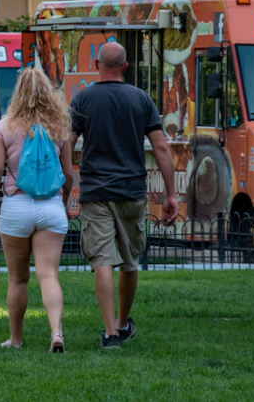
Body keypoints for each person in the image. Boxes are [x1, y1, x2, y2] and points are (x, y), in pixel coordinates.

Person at [70, 42, 178, 349]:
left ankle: (110, 334)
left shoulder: (83, 98)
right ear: (126, 67)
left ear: (96, 63)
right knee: (130, 260)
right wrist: (170, 195)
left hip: (96, 191)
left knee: (102, 260)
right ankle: (122, 322)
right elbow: (160, 148)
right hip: (132, 191)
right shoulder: (141, 99)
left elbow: (67, 142)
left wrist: (67, 182)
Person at [0, 66, 74, 353]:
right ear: (49, 93)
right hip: (50, 206)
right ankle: (56, 332)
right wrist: (66, 198)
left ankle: (16, 339)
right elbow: (69, 173)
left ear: (18, 93)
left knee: (17, 278)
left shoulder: (5, 126)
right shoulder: (59, 126)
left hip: (16, 206)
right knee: (48, 275)